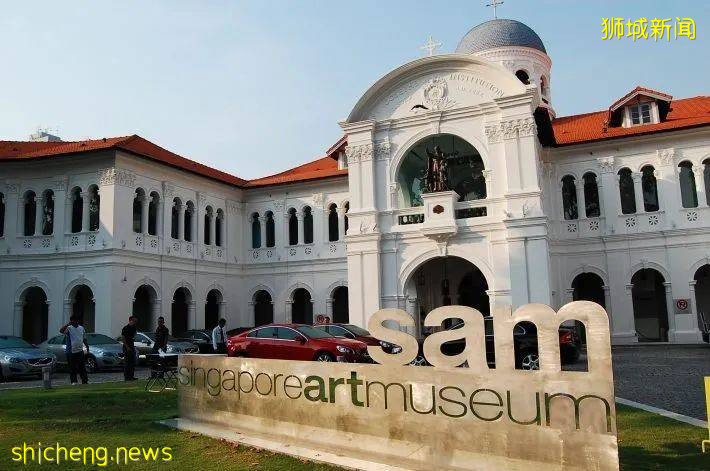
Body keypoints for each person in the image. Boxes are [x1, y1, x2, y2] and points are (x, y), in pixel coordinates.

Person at [60, 315, 89, 385]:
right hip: (71, 351)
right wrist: (68, 324)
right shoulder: (69, 328)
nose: (75, 322)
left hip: (80, 350)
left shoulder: (81, 328)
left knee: (82, 366)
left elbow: (84, 338)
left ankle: (85, 381)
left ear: (78, 321)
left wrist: (87, 346)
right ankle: (74, 381)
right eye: (73, 321)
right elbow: (61, 331)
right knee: (72, 367)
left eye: (76, 321)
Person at [120, 316, 139, 381]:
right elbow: (123, 338)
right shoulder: (125, 328)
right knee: (127, 362)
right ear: (130, 320)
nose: (135, 322)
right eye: (134, 321)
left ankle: (131, 376)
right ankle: (127, 377)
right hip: (126, 347)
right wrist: (127, 347)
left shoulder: (133, 328)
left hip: (131, 345)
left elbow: (134, 335)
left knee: (132, 362)